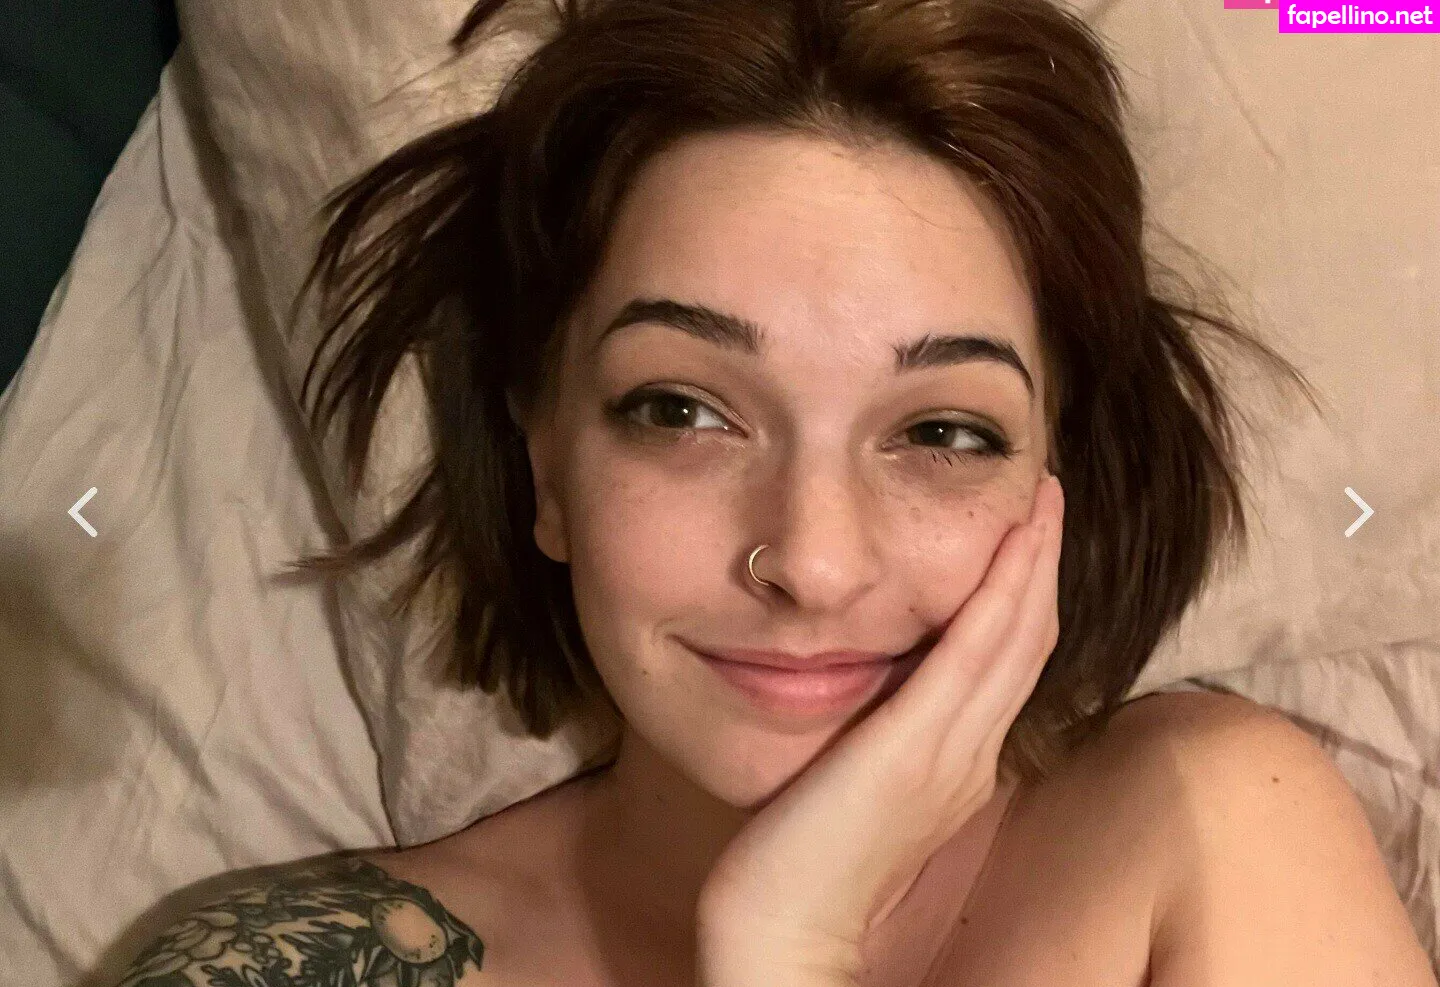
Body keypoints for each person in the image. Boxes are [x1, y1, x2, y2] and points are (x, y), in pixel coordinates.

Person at [113, 0, 1438, 985]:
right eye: (680, 410)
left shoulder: (1210, 829)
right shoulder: (295, 965)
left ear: (1059, 482)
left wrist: (786, 946)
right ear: (546, 468)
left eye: (942, 432)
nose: (810, 560)